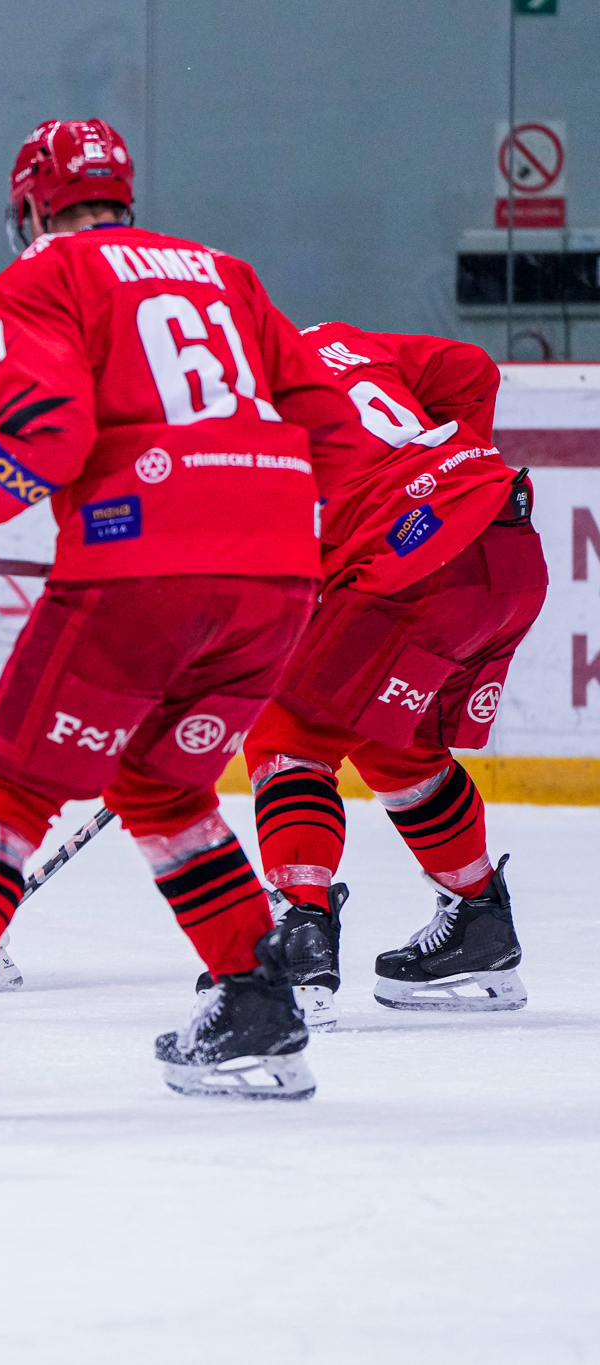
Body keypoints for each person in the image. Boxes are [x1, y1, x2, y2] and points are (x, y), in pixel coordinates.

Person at [0, 119, 362, 1111]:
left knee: (9, 786)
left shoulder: (40, 276)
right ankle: (254, 999)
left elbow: (46, 431)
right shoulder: (228, 275)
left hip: (136, 575)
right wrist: (240, 518)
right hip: (277, 581)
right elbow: (336, 436)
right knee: (161, 788)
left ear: (29, 207)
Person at [241, 322, 545, 1022]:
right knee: (392, 737)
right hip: (504, 538)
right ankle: (479, 922)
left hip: (415, 572)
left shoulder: (219, 413)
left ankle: (300, 934)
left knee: (289, 732)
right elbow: (472, 369)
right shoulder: (335, 340)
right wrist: (443, 491)